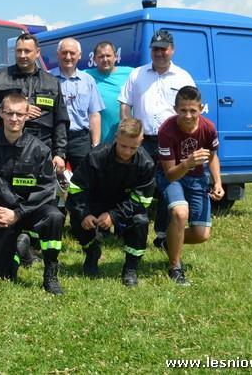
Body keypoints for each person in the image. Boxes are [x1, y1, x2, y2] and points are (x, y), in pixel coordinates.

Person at [0, 33, 70, 265]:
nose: (22, 55)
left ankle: (35, 246)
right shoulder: (0, 77)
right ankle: (14, 239)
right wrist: (14, 109)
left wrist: (60, 153)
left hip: (41, 150)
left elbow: (60, 120)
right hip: (5, 149)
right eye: (18, 51)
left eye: (27, 51)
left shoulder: (51, 82)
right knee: (8, 195)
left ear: (37, 53)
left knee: (40, 198)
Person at [0, 93, 65, 295]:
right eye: (10, 113)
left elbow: (47, 189)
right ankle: (20, 250)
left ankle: (50, 273)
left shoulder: (40, 149)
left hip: (28, 211)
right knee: (1, 274)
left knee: (55, 216)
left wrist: (19, 213)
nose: (14, 119)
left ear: (26, 117)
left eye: (19, 114)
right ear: (1, 114)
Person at [119, 29, 195, 249]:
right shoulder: (137, 74)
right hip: (143, 141)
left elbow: (192, 110)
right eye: (155, 49)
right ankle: (130, 228)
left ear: (172, 50)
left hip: (173, 143)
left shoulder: (183, 77)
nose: (159, 53)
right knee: (135, 186)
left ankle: (162, 235)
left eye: (163, 48)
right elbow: (125, 104)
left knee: (168, 187)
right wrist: (128, 130)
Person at [67, 117, 156, 286]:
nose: (127, 152)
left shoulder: (146, 164)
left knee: (141, 221)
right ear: (116, 137)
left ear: (141, 141)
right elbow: (76, 189)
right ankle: (92, 252)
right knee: (78, 219)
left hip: (125, 206)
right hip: (96, 201)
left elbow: (142, 200)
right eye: (123, 146)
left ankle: (130, 268)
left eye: (133, 147)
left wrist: (114, 216)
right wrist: (84, 213)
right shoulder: (96, 156)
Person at [156, 86, 224, 285]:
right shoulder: (166, 130)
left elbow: (212, 157)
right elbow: (170, 173)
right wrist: (187, 163)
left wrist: (218, 182)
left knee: (201, 235)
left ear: (201, 109)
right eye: (183, 110)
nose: (187, 115)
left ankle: (167, 240)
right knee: (180, 213)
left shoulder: (208, 127)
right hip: (173, 177)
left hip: (197, 178)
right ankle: (175, 268)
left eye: (193, 110)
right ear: (175, 108)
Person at [48, 37, 104, 172]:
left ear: (79, 56)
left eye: (72, 53)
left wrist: (95, 144)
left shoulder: (88, 80)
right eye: (64, 52)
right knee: (51, 178)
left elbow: (94, 114)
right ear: (58, 54)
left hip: (80, 139)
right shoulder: (47, 78)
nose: (68, 57)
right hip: (53, 138)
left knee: (84, 180)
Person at [85, 41, 133, 143]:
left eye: (108, 55)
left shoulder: (131, 73)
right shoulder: (85, 76)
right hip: (98, 141)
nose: (105, 59)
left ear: (115, 56)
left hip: (125, 140)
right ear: (94, 59)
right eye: (101, 56)